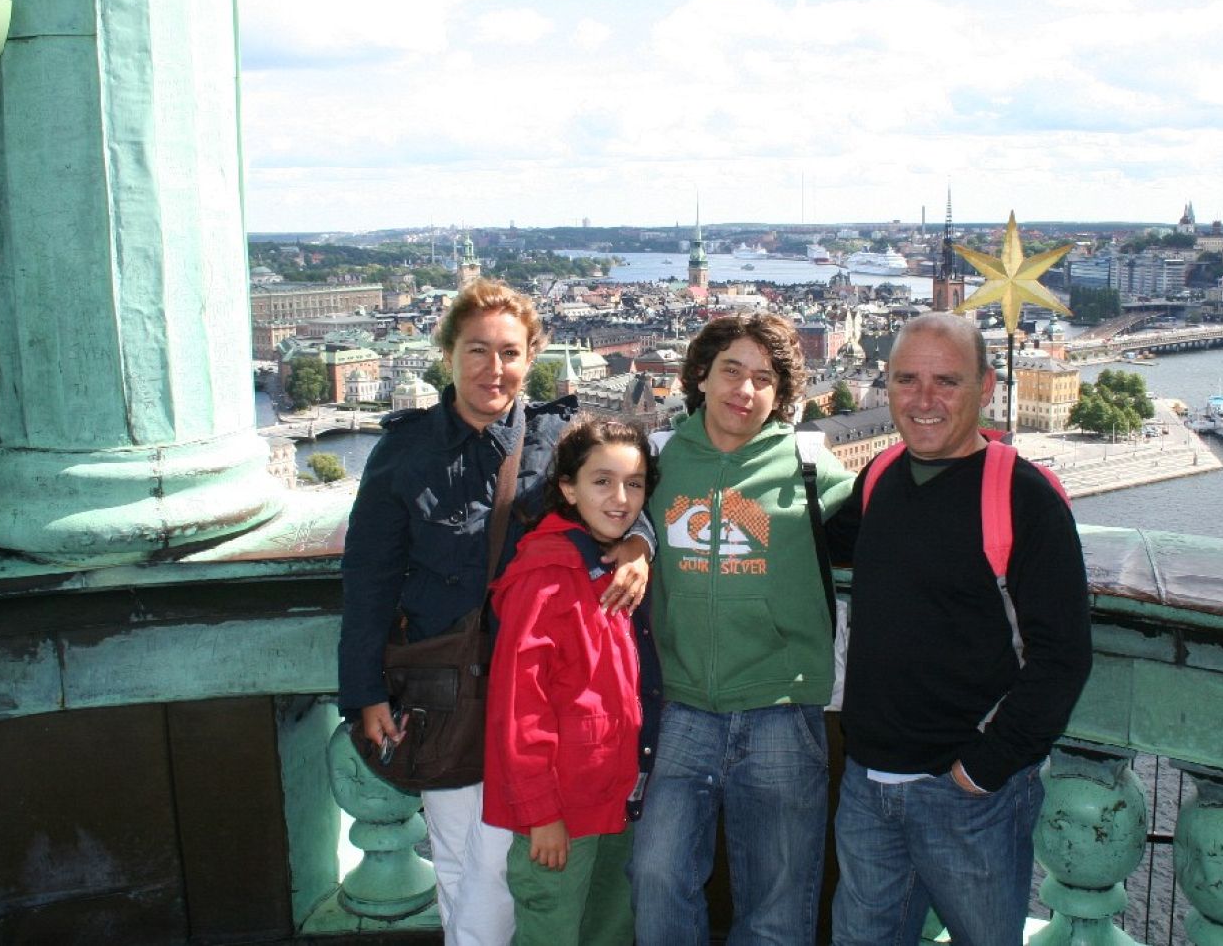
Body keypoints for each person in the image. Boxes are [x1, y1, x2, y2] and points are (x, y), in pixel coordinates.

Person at [338, 279, 650, 946]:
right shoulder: (404, 451)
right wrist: (365, 692)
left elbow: (621, 491)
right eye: (477, 349)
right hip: (445, 691)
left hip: (536, 695)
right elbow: (368, 579)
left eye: (510, 352)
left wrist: (638, 545)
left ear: (531, 357)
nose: (494, 368)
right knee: (458, 860)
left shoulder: (558, 437)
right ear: (448, 354)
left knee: (495, 871)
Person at [828, 312, 1094, 946]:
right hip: (868, 781)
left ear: (986, 386)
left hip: (968, 794)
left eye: (946, 381)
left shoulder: (1025, 497)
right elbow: (811, 543)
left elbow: (1063, 656)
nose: (923, 400)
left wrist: (983, 770)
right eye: (906, 380)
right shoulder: (881, 474)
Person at [630, 313, 854, 946]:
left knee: (778, 903)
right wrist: (636, 541)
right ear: (701, 376)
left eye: (763, 378)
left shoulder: (808, 464)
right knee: (655, 877)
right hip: (678, 708)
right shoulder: (657, 459)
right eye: (732, 370)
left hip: (782, 707)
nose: (745, 390)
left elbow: (891, 523)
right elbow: (597, 516)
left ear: (779, 394)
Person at [483, 417, 660, 946]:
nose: (621, 499)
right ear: (568, 488)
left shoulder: (612, 564)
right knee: (552, 931)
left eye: (634, 484)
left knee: (610, 930)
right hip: (562, 813)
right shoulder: (546, 576)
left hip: (616, 798)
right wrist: (541, 815)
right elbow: (520, 708)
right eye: (602, 482)